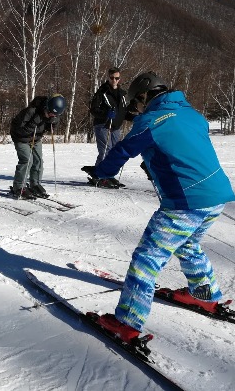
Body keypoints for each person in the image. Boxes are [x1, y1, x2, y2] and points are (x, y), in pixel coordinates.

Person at [86, 72, 235, 343]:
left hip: (186, 202)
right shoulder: (193, 114)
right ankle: (204, 295)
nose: (138, 107)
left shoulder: (152, 121)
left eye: (138, 101)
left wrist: (100, 171)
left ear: (145, 95)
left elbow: (122, 151)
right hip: (216, 197)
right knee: (188, 245)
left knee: (147, 259)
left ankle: (126, 323)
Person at [9, 94, 65, 199]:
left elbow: (49, 128)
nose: (52, 115)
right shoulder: (31, 111)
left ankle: (35, 184)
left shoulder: (52, 114)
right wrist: (34, 122)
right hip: (21, 139)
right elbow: (19, 130)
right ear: (46, 107)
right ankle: (18, 187)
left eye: (54, 115)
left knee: (38, 161)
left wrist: (53, 122)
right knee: (27, 160)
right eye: (50, 113)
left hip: (36, 139)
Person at [86, 67, 135, 187]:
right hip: (103, 125)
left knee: (114, 152)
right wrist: (106, 114)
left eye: (116, 78)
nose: (114, 80)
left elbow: (123, 112)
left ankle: (108, 175)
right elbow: (93, 109)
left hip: (116, 127)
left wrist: (134, 117)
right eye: (112, 78)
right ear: (108, 78)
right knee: (105, 151)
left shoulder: (122, 94)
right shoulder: (102, 92)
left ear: (120, 79)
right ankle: (98, 176)